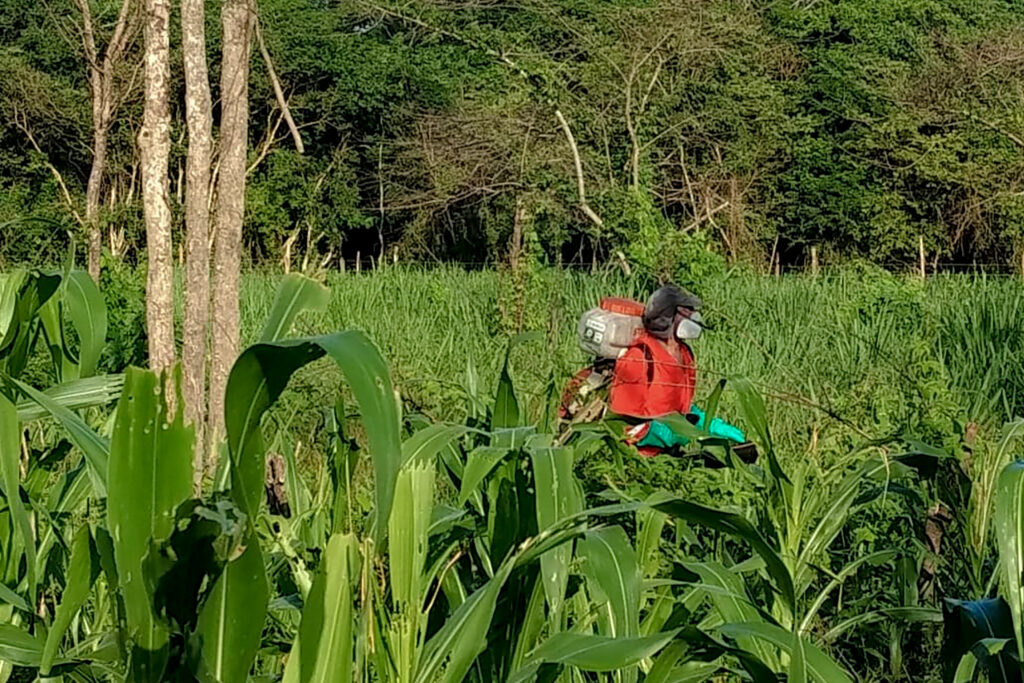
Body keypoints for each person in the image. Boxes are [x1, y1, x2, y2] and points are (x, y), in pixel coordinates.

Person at [608, 284, 745, 455]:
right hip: (639, 460)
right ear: (668, 316)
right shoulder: (639, 358)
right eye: (687, 310)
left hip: (670, 456)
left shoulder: (685, 355)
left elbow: (680, 408)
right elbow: (617, 425)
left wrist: (707, 424)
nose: (694, 316)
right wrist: (660, 434)